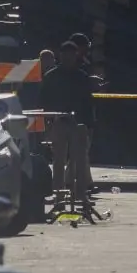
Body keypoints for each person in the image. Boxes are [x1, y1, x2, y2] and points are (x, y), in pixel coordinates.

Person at [40, 41, 95, 201]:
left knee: (79, 160)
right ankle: (58, 194)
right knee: (58, 160)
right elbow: (43, 101)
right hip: (59, 122)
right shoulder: (51, 77)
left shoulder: (81, 77)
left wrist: (89, 125)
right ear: (61, 56)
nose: (68, 58)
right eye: (65, 55)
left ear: (75, 55)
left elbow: (88, 102)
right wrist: (48, 123)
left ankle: (80, 194)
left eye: (71, 55)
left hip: (79, 124)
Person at [67, 33, 104, 193]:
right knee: (79, 151)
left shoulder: (82, 65)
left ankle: (83, 182)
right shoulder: (75, 67)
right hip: (79, 114)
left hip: (86, 112)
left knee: (82, 151)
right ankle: (75, 182)